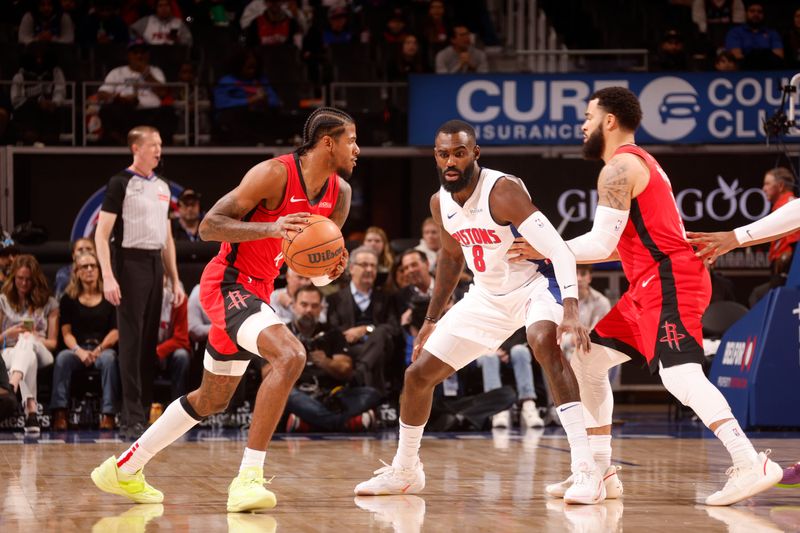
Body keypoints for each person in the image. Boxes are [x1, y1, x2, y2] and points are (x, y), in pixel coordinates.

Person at [513, 87, 781, 506]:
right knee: (587, 359)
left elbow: (602, 246)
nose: (582, 125)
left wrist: (547, 247)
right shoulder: (636, 163)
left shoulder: (619, 168)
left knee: (679, 374)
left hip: (669, 280)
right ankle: (601, 472)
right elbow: (613, 246)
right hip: (646, 286)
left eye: (588, 116)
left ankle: (750, 462)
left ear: (609, 120)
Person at [90, 107, 355, 513]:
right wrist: (272, 226)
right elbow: (209, 226)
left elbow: (314, 274)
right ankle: (248, 479)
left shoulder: (341, 195)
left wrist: (331, 270)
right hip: (227, 283)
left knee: (212, 398)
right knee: (291, 354)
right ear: (328, 142)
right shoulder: (274, 174)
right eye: (352, 140)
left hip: (259, 292)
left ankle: (125, 468)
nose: (358, 149)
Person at [354, 119, 603, 504]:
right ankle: (406, 470)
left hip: (535, 286)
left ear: (475, 154)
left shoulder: (502, 191)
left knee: (542, 343)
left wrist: (570, 307)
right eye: (443, 154)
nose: (450, 161)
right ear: (435, 157)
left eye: (458, 153)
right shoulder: (440, 202)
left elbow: (559, 249)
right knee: (417, 376)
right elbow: (452, 259)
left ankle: (586, 470)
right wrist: (430, 321)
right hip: (486, 297)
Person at [94, 125, 185, 440]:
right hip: (129, 262)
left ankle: (145, 414)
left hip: (155, 265)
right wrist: (108, 274)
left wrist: (175, 280)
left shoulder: (162, 186)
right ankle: (130, 417)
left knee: (148, 345)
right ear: (137, 148)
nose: (159, 150)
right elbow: (101, 234)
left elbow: (168, 238)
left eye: (160, 144)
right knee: (130, 345)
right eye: (154, 145)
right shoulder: (121, 183)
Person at [284, 285, 381, 432]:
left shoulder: (331, 333)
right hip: (301, 394)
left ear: (321, 308)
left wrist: (325, 362)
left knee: (371, 394)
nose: (309, 310)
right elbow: (267, 374)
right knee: (287, 395)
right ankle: (344, 423)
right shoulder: (283, 332)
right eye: (304, 305)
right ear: (293, 306)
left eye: (314, 305)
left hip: (332, 395)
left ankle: (309, 423)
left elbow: (346, 370)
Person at [50, 251, 120, 431]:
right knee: (63, 359)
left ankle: (108, 414)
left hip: (103, 349)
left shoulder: (110, 296)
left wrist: (98, 349)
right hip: (78, 350)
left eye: (93, 266)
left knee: (110, 360)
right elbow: (66, 333)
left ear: (99, 269)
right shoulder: (68, 299)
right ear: (77, 272)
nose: (89, 270)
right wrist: (79, 351)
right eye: (84, 267)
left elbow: (115, 331)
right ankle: (60, 413)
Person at [327, 246, 400, 397]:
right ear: (351, 268)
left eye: (373, 265)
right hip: (350, 348)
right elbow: (332, 329)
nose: (369, 269)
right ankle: (377, 399)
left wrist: (367, 329)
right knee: (376, 355)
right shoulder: (335, 299)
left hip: (384, 347)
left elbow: (394, 327)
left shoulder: (386, 298)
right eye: (364, 265)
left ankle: (358, 374)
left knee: (380, 332)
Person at [0, 255, 59, 434]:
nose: (24, 283)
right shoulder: (3, 301)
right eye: (20, 278)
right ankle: (31, 412)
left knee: (27, 342)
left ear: (35, 279)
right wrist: (9, 333)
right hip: (8, 351)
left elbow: (53, 343)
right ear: (13, 278)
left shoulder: (49, 303)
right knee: (27, 356)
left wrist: (34, 337)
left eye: (28, 279)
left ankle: (12, 384)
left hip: (42, 350)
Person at [477, 327, 544, 429]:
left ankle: (528, 404)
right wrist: (493, 349)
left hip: (513, 348)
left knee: (520, 351)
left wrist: (506, 350)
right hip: (486, 350)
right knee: (489, 356)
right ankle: (498, 407)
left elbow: (524, 334)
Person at [155, 277, 190, 402]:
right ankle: (140, 410)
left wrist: (159, 350)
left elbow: (182, 339)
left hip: (170, 352)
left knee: (182, 356)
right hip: (147, 352)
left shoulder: (179, 299)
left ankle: (178, 406)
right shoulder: (140, 299)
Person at [724, 1, 783, 70]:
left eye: (759, 12)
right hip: (743, 71)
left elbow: (779, 56)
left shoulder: (772, 33)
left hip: (769, 70)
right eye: (752, 11)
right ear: (746, 13)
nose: (756, 14)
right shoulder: (735, 32)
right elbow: (736, 57)